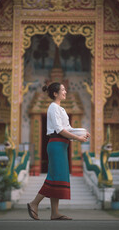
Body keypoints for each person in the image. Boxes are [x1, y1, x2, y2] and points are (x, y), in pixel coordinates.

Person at [27, 82, 90, 220]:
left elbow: (68, 128)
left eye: (65, 89)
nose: (65, 91)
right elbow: (59, 130)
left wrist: (83, 132)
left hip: (62, 145)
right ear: (55, 93)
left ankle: (54, 212)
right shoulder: (53, 107)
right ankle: (34, 203)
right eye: (63, 89)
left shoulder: (61, 109)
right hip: (55, 145)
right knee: (54, 177)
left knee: (58, 177)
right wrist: (78, 139)